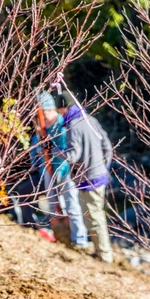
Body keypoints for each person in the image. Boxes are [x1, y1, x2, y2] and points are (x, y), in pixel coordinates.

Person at [54, 89, 115, 263]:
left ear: (63, 108)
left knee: (93, 217)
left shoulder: (73, 126)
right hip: (99, 175)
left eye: (59, 110)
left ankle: (104, 255)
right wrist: (105, 166)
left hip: (88, 178)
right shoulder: (91, 120)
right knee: (96, 215)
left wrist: (56, 151)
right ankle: (102, 251)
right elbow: (107, 145)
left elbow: (73, 155)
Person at [30, 92, 88, 248]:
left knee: (72, 206)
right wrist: (38, 154)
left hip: (64, 171)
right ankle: (59, 235)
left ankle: (80, 240)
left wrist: (51, 149)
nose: (45, 115)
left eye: (47, 111)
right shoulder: (40, 127)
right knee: (52, 205)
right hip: (47, 171)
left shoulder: (63, 125)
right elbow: (34, 147)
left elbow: (67, 150)